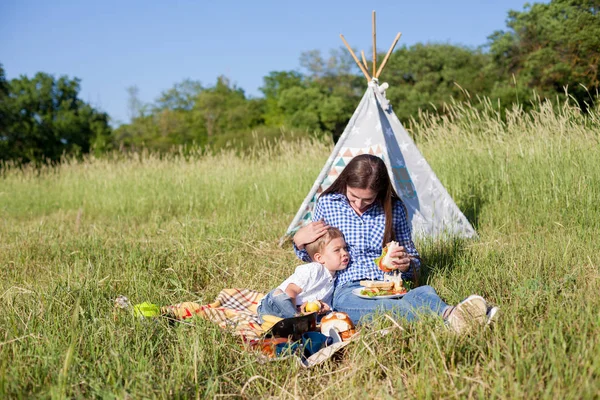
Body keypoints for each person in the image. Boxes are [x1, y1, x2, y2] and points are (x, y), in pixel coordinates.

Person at [293, 154, 498, 333]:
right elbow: (317, 255)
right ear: (345, 182)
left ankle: (451, 314)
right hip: (348, 285)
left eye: (368, 200)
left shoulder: (394, 208)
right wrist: (299, 242)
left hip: (391, 284)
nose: (359, 204)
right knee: (348, 307)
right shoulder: (328, 204)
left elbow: (414, 258)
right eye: (354, 196)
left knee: (422, 292)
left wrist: (406, 264)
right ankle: (455, 319)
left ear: (379, 193)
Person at [257, 227, 349, 323]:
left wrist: (322, 307)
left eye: (345, 248)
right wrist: (295, 312)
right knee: (279, 295)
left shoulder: (333, 279)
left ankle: (294, 324)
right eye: (337, 250)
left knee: (323, 319)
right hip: (272, 306)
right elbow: (291, 290)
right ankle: (296, 321)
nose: (345, 253)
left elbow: (312, 302)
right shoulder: (314, 269)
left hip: (294, 313)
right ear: (319, 258)